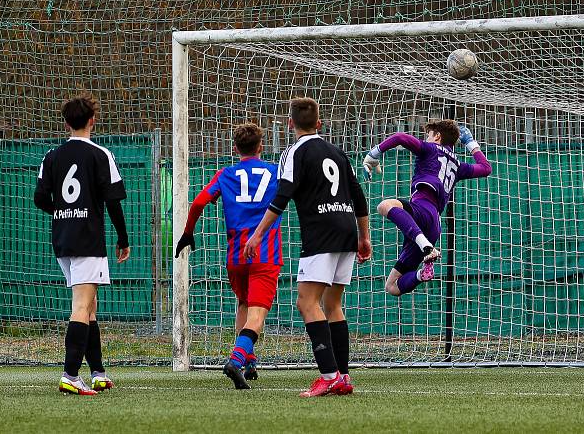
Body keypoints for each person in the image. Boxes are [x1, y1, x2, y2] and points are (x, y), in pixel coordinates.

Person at [244, 97, 371, 397]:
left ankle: (328, 376)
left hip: (321, 232)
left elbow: (283, 195)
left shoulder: (293, 152)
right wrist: (364, 237)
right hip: (346, 231)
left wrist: (259, 234)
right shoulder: (337, 152)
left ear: (290, 124)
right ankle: (343, 377)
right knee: (333, 304)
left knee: (306, 302)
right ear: (319, 124)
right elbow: (359, 197)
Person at [34, 94, 130, 396]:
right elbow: (113, 201)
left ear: (66, 123)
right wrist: (123, 238)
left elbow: (40, 198)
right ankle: (70, 375)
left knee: (90, 308)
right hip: (88, 237)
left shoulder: (51, 155)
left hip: (62, 236)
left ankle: (98, 372)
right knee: (81, 306)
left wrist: (63, 213)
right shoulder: (101, 154)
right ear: (92, 120)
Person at [175, 123, 282, 389]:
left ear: (235, 149)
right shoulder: (275, 171)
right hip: (264, 252)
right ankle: (235, 360)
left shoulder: (226, 174)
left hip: (236, 256)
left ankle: (249, 361)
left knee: (244, 304)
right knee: (257, 315)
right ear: (261, 147)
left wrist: (188, 233)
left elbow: (199, 202)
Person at [362, 121, 492, 296]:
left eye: (429, 135)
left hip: (422, 210)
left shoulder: (430, 149)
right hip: (433, 225)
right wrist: (469, 142)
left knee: (384, 206)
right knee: (392, 287)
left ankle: (426, 248)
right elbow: (486, 168)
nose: (426, 139)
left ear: (437, 136)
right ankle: (422, 274)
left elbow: (400, 137)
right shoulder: (458, 166)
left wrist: (373, 154)